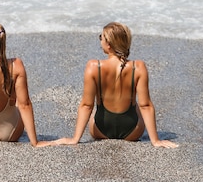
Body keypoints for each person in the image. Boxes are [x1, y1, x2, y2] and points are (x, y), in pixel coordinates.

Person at [50, 22, 178, 148]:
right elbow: (146, 105)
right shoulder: (138, 67)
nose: (100, 41)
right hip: (132, 132)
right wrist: (155, 141)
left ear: (109, 44)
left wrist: (75, 139)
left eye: (102, 37)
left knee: (97, 104)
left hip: (100, 130)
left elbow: (86, 105)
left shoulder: (94, 66)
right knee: (137, 104)